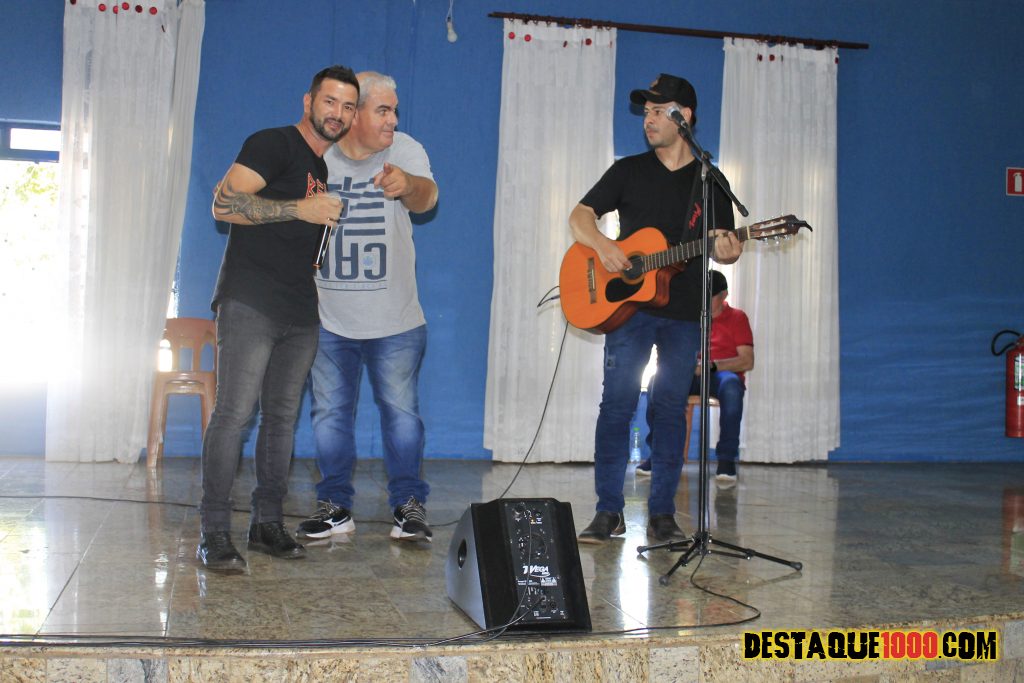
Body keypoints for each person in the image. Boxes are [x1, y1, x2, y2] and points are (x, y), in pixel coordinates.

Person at [196, 65, 360, 573]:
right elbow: (223, 206)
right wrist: (298, 210)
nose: (338, 113)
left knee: (282, 420)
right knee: (234, 414)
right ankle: (214, 532)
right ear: (308, 102)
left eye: (348, 106)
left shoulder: (321, 169)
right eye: (330, 101)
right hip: (250, 299)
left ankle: (266, 522)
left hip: (300, 309)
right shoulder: (272, 142)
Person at [569, 73, 743, 545]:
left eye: (657, 111)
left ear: (684, 117)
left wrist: (729, 250)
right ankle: (608, 511)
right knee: (616, 406)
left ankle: (663, 514)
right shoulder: (628, 171)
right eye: (644, 111)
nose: (647, 119)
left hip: (684, 314)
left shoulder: (711, 181)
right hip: (628, 311)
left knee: (669, 410)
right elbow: (580, 216)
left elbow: (724, 246)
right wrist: (604, 246)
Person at [297, 71, 439, 543]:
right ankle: (335, 506)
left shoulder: (404, 149)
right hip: (328, 320)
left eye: (395, 110)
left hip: (396, 321)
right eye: (383, 110)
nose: (393, 120)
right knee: (329, 416)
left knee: (402, 416)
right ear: (353, 114)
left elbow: (428, 197)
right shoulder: (317, 155)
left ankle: (409, 506)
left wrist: (407, 184)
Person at [636, 270, 754, 486]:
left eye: (710, 296)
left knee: (732, 388)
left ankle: (726, 460)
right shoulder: (688, 317)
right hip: (688, 372)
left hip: (720, 375)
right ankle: (659, 455)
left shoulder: (737, 318)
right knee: (656, 383)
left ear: (724, 295)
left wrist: (711, 366)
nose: (704, 301)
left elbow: (747, 361)